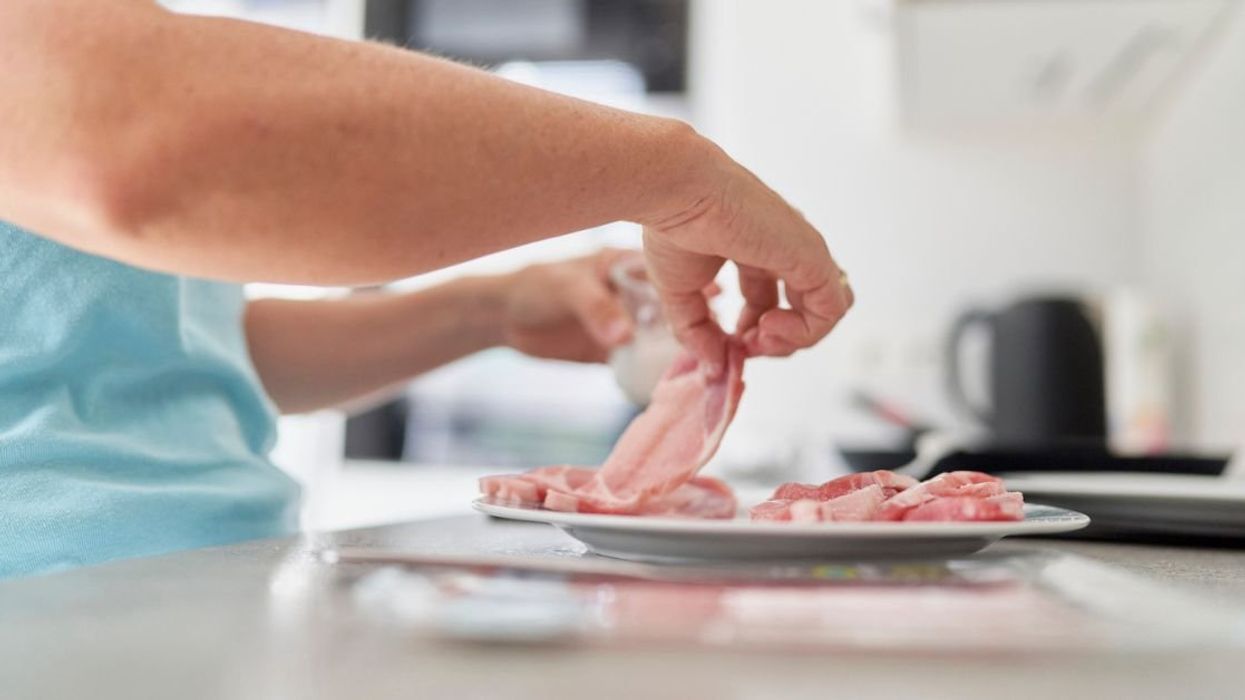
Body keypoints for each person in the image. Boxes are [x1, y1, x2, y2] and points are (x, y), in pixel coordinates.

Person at [0, 0, 852, 578]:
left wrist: (487, 308)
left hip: (201, 585)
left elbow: (155, 363)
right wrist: (675, 175)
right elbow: (130, 149)